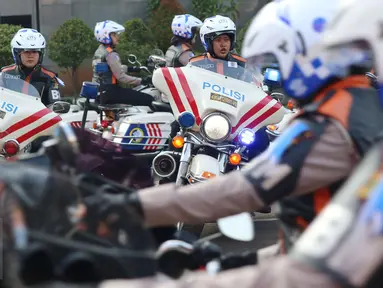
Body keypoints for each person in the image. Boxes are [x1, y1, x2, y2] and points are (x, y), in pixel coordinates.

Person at [99, 0, 383, 255]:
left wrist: (136, 205)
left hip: (330, 262)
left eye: (285, 58)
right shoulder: (354, 108)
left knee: (259, 140)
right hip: (208, 120)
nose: (224, 44)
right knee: (178, 124)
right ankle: (168, 162)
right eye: (218, 40)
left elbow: (245, 188)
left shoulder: (325, 125)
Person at [93, 20, 153, 110]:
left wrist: (132, 68)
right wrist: (142, 81)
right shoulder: (110, 54)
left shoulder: (100, 51)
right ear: (106, 36)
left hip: (101, 92)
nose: (117, 37)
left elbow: (111, 69)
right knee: (149, 99)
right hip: (111, 93)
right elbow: (121, 77)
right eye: (114, 35)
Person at [0, 28, 62, 106]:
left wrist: (57, 106)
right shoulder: (4, 74)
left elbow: (55, 105)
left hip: (40, 118)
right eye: (26, 51)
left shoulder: (50, 77)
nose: (31, 55)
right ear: (17, 53)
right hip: (9, 117)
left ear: (40, 54)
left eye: (35, 51)